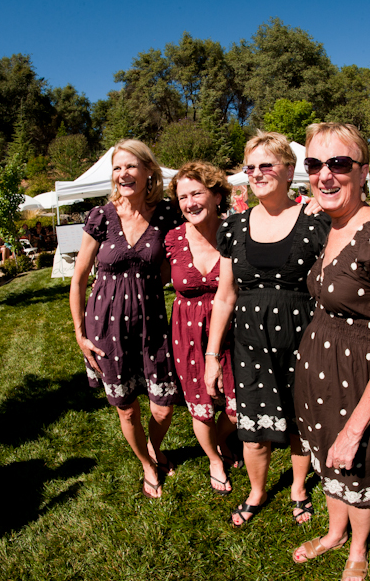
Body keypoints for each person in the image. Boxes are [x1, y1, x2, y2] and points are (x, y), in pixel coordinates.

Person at [290, 123, 370, 581]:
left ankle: (357, 549)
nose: (324, 175)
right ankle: (333, 532)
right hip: (321, 371)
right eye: (314, 164)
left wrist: (354, 428)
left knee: (354, 459)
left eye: (338, 164)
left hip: (362, 377)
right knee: (327, 459)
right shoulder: (333, 226)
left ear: (363, 171)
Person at [205, 130, 330, 526]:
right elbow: (225, 296)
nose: (257, 173)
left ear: (289, 170)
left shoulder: (316, 221)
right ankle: (257, 491)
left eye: (266, 165)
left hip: (301, 338)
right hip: (250, 343)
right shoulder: (234, 226)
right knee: (254, 425)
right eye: (250, 167)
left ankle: (297, 486)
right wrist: (211, 356)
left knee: (298, 421)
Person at [69, 139, 182, 499]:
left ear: (149, 171)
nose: (124, 174)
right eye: (118, 168)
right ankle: (148, 464)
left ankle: (154, 444)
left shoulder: (166, 214)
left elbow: (172, 265)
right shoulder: (100, 216)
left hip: (151, 324)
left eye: (131, 166)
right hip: (106, 327)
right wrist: (79, 333)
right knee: (127, 410)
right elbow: (79, 277)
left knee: (163, 407)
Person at [165, 162, 239, 494]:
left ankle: (224, 438)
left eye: (197, 193)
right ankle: (213, 457)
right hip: (188, 331)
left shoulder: (235, 231)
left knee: (238, 407)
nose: (190, 202)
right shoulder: (173, 238)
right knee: (201, 405)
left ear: (216, 194)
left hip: (233, 327)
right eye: (183, 197)